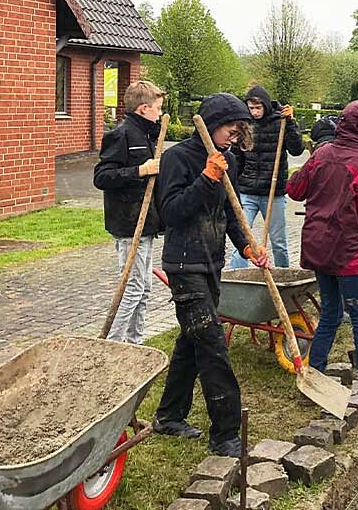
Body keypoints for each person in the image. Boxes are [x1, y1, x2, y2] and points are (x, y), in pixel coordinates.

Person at [152, 93, 269, 457]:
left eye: (238, 134)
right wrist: (205, 178)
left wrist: (247, 246)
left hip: (212, 262)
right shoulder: (177, 158)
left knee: (191, 341)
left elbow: (229, 214)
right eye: (230, 131)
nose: (233, 139)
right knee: (213, 345)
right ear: (213, 123)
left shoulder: (228, 161)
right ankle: (226, 434)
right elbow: (171, 212)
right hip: (184, 265)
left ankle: (169, 415)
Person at [286, 100, 358, 419]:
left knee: (331, 313)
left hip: (318, 247)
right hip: (346, 252)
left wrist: (302, 169)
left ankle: (313, 380)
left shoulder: (320, 155)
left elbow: (295, 190)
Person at [92, 80, 165, 345]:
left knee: (145, 289)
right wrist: (139, 171)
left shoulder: (148, 134)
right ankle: (113, 344)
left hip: (145, 224)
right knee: (132, 289)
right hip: (128, 225)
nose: (160, 113)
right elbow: (102, 177)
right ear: (144, 108)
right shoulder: (121, 134)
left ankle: (136, 344)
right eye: (157, 108)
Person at [227, 86, 303, 269]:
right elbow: (237, 158)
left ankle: (283, 278)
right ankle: (237, 278)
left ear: (266, 106)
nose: (254, 112)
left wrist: (291, 123)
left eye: (257, 108)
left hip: (273, 192)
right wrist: (233, 185)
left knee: (278, 242)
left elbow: (297, 149)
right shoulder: (245, 124)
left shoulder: (281, 121)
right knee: (242, 238)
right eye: (250, 108)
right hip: (247, 191)